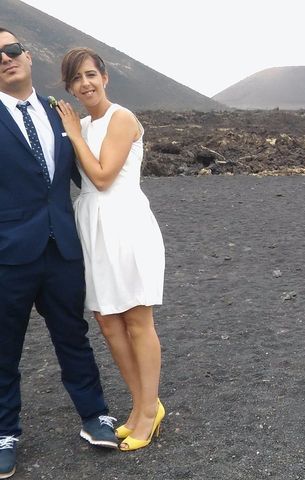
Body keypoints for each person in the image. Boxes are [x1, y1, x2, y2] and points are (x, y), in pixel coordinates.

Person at [0, 29, 119, 479]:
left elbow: (88, 174)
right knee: (4, 347)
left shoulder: (58, 112)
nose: (6, 59)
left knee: (73, 336)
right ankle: (4, 433)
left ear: (27, 56)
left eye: (12, 50)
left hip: (62, 249)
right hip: (8, 255)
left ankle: (95, 416)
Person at [55, 47, 165, 452]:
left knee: (137, 319)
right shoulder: (83, 123)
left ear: (105, 77)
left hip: (124, 223)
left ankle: (148, 411)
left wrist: (75, 135)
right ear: (69, 86)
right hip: (92, 227)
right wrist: (76, 131)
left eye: (90, 75)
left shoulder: (121, 118)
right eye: (76, 79)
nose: (84, 84)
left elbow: (101, 177)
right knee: (107, 322)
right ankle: (141, 406)